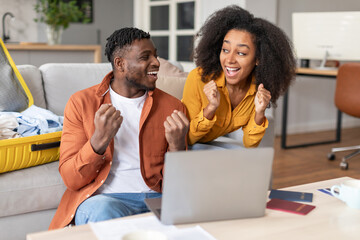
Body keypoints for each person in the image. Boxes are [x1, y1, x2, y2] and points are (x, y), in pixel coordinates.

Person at [49, 27, 189, 229]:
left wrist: (176, 147)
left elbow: (178, 189)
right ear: (120, 64)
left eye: (156, 56)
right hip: (106, 200)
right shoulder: (82, 103)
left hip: (158, 200)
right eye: (145, 57)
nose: (157, 63)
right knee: (105, 211)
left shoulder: (173, 107)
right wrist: (98, 141)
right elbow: (72, 180)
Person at [182, 5, 296, 148]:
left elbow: (250, 144)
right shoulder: (199, 78)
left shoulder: (257, 89)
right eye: (225, 50)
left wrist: (260, 113)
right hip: (181, 149)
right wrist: (211, 108)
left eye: (241, 53)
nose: (229, 59)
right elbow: (186, 139)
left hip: (209, 149)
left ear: (258, 59)